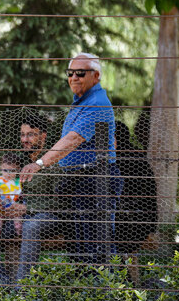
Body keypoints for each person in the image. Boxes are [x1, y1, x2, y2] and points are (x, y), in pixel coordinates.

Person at [21, 53, 123, 268]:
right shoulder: (83, 101)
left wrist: (39, 163)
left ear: (96, 76)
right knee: (82, 243)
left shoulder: (96, 102)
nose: (74, 77)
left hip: (96, 181)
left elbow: (73, 139)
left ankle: (107, 292)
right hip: (80, 180)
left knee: (97, 242)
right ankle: (86, 291)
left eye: (80, 73)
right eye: (70, 73)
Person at [13, 112, 69, 281]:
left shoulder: (53, 161)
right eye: (22, 135)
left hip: (54, 217)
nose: (25, 139)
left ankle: (22, 292)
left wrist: (27, 208)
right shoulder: (19, 161)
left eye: (30, 134)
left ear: (43, 136)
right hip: (26, 215)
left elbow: (61, 202)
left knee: (31, 227)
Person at [114, 120, 157, 285]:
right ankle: (125, 283)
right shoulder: (113, 159)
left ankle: (126, 283)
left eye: (112, 137)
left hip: (135, 221)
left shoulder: (132, 159)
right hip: (125, 218)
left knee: (110, 239)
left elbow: (144, 198)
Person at [0, 152, 24, 238]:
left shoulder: (18, 181)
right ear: (1, 168)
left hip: (14, 207)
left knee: (18, 216)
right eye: (5, 170)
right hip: (2, 207)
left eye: (12, 171)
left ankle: (18, 229)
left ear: (18, 169)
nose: (8, 173)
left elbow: (21, 194)